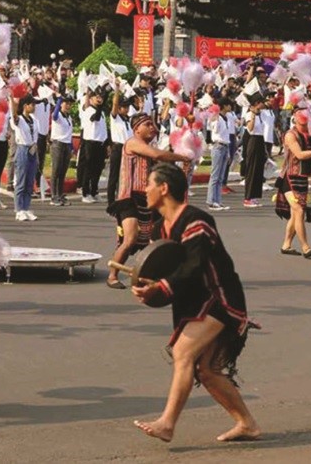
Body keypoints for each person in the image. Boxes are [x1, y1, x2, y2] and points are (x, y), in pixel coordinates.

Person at [129, 163, 260, 443]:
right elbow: (163, 273)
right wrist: (147, 288)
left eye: (150, 184)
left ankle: (167, 423)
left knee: (183, 352)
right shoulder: (158, 230)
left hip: (220, 298)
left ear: (164, 188)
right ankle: (247, 423)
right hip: (194, 303)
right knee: (208, 372)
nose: (146, 189)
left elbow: (193, 265)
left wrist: (162, 286)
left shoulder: (195, 221)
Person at [106, 113, 191, 288]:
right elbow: (157, 154)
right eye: (148, 125)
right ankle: (112, 276)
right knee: (130, 239)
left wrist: (181, 165)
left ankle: (148, 274)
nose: (153, 128)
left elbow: (161, 165)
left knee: (152, 240)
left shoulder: (147, 147)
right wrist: (181, 157)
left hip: (146, 199)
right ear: (137, 128)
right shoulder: (132, 143)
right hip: (129, 197)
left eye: (153, 125)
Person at [276, 109, 311, 257]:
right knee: (299, 210)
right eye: (302, 124)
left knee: (295, 214)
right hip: (289, 177)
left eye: (306, 123)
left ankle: (286, 244)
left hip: (302, 178)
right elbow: (299, 154)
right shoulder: (290, 135)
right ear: (296, 121)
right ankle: (305, 247)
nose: (304, 126)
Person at [11, 94, 39, 221]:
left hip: (33, 149)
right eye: (32, 105)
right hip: (23, 148)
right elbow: (14, 116)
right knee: (21, 181)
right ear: (25, 106)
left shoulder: (34, 119)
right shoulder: (19, 120)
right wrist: (12, 101)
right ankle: (19, 209)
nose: (34, 107)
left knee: (29, 181)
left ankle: (26, 208)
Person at [78, 90, 108, 204]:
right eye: (96, 97)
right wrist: (100, 107)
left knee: (98, 169)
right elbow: (94, 118)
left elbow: (103, 127)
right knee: (88, 168)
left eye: (99, 97)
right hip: (90, 142)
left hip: (100, 142)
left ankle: (94, 192)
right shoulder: (89, 110)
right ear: (90, 99)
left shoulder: (102, 112)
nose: (98, 98)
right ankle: (85, 193)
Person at [206, 98, 232, 211]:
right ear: (224, 106)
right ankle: (211, 201)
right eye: (229, 105)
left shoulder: (226, 118)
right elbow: (215, 131)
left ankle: (218, 200)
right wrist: (215, 118)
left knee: (220, 177)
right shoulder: (217, 118)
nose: (230, 107)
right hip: (218, 146)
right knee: (215, 175)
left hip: (225, 146)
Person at [242, 93, 268, 208]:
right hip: (253, 140)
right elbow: (250, 128)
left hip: (260, 140)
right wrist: (252, 114)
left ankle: (255, 196)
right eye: (261, 102)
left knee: (258, 169)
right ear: (257, 104)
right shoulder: (249, 114)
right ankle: (248, 198)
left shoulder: (261, 115)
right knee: (252, 169)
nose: (264, 104)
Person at [49, 95, 74, 206]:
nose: (68, 106)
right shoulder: (58, 115)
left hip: (66, 145)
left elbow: (69, 133)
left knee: (63, 171)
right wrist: (59, 100)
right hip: (58, 144)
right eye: (66, 103)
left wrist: (72, 147)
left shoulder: (69, 117)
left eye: (69, 104)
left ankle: (60, 194)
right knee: (56, 170)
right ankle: (54, 196)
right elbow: (54, 116)